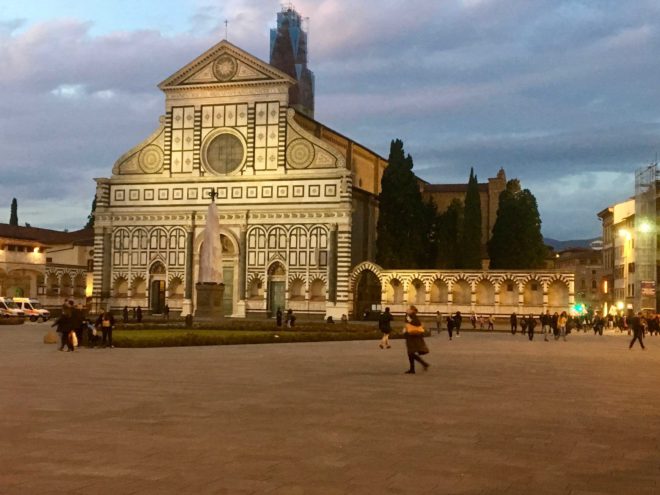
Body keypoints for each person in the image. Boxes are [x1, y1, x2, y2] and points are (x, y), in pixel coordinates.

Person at [403, 305, 430, 374]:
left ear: (412, 310)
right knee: (410, 353)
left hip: (413, 337)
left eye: (408, 309)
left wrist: (407, 316)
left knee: (411, 353)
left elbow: (416, 323)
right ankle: (412, 369)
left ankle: (423, 364)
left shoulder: (412, 316)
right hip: (412, 336)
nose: (407, 310)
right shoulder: (411, 316)